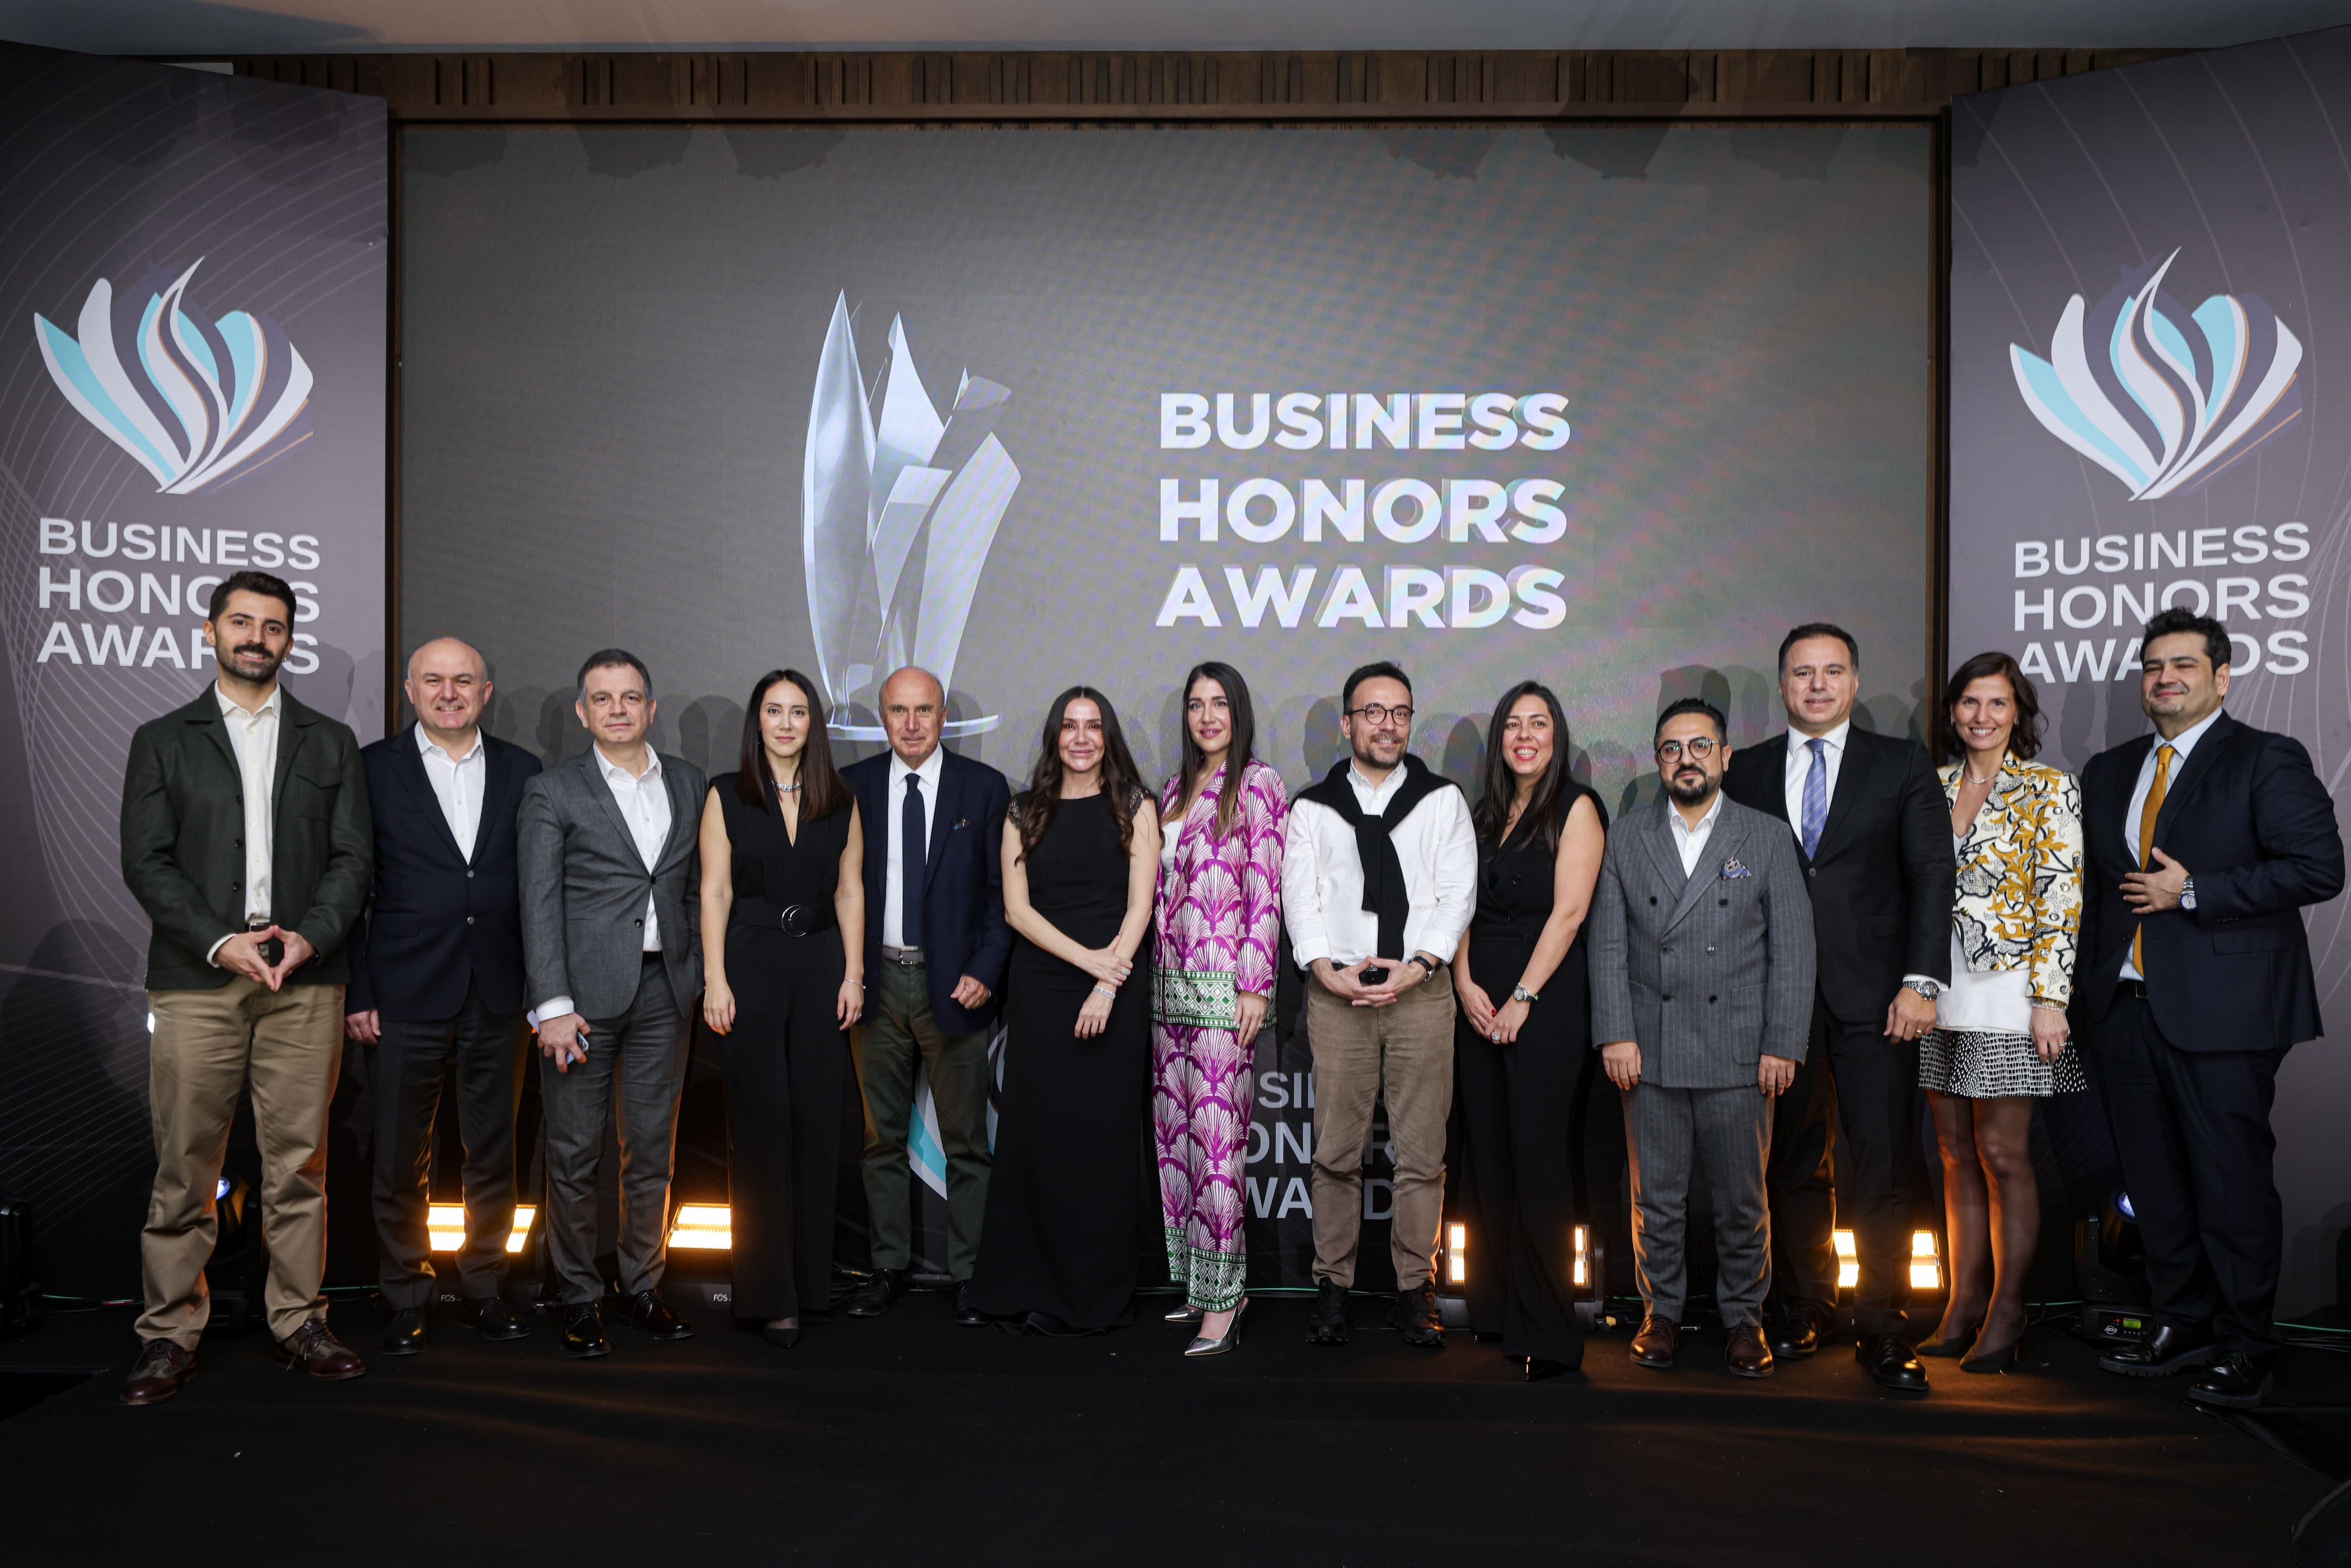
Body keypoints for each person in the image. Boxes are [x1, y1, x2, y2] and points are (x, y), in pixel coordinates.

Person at [2076, 608, 2344, 1410]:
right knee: (2153, 1184)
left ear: (2221, 678)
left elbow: (2318, 867)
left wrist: (2192, 890)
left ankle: (2245, 1343)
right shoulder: (2109, 769)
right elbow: (2094, 893)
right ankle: (2182, 1320)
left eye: (2184, 665)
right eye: (2154, 666)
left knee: (2230, 1184)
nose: (2166, 679)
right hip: (2124, 1010)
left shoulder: (2265, 757)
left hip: (2226, 1013)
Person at [118, 570, 374, 1405]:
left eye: (272, 626)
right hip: (198, 979)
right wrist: (220, 941)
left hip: (306, 977)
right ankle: (167, 1332)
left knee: (299, 1164)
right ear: (211, 632)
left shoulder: (331, 741)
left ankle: (299, 1319)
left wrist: (311, 936)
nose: (256, 637)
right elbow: (146, 861)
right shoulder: (163, 739)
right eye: (241, 622)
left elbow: (353, 859)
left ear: (288, 639)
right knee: (185, 1164)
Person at [1724, 622, 1952, 1396]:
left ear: (1854, 681)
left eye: (1831, 671)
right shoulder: (1748, 769)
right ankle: (1806, 1305)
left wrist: (1922, 982)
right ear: (1783, 684)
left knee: (1881, 1161)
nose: (1816, 685)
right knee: (1794, 1160)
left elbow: (1932, 874)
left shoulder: (1901, 762)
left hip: (1881, 996)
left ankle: (1883, 1325)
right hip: (1778, 1000)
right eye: (1802, 672)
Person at [1589, 698, 1815, 1379]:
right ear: (1658, 760)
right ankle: (1660, 1312)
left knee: (1742, 1200)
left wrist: (1783, 1041)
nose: (1686, 759)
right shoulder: (1626, 835)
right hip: (1649, 1047)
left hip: (1741, 1049)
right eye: (1672, 748)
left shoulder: (1766, 835)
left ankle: (1745, 1318)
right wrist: (1616, 1033)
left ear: (1724, 755)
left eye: (1700, 745)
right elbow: (1608, 946)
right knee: (1655, 1198)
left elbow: (1794, 949)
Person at [346, 637, 541, 1355]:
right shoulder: (372, 768)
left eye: (464, 680)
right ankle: (406, 1291)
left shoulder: (523, 769)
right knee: (402, 1153)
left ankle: (485, 1285)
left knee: (493, 1150)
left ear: (486, 692)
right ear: (410, 690)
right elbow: (352, 886)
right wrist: (358, 989)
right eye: (434, 680)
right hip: (402, 988)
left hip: (500, 987)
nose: (449, 692)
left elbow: (537, 886)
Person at [1283, 661, 1477, 1351]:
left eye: (1399, 712)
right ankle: (1332, 1286)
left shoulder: (1442, 800)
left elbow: (1456, 894)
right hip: (1338, 997)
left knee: (1421, 1154)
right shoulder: (1312, 807)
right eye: (1373, 711)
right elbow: (1300, 897)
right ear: (1347, 723)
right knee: (1336, 1152)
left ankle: (1412, 1290)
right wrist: (1327, 971)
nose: (1387, 724)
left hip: (1420, 994)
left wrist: (1419, 965)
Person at [518, 649, 706, 1359]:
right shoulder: (552, 790)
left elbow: (696, 886)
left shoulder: (688, 782)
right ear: (582, 711)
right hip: (580, 1002)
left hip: (666, 992)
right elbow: (537, 903)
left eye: (630, 697)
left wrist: (694, 972)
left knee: (651, 1149)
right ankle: (577, 1295)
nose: (618, 709)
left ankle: (641, 1285)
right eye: (603, 698)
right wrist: (551, 1004)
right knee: (573, 1153)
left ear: (651, 707)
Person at [970, 689, 1159, 1333]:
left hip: (1118, 986)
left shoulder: (1136, 804)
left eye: (1093, 726)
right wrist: (1087, 962)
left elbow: (1141, 905)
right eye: (1070, 726)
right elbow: (1017, 910)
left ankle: (1095, 1295)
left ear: (1108, 736)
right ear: (1055, 736)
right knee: (1040, 1136)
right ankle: (1031, 1286)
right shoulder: (1023, 810)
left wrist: (1107, 982)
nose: (1081, 737)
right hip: (1043, 987)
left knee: (1101, 1140)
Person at [1916, 652, 2083, 1373]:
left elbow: (2062, 897)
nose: (1981, 716)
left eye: (1997, 703)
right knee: (1954, 1153)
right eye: (1969, 703)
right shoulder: (1930, 786)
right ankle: (1962, 1302)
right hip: (1936, 988)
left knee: (2003, 1154)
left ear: (2019, 713)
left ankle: (2008, 1309)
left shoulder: (2049, 788)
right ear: (1953, 712)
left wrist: (2050, 999)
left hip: (2010, 991)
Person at [840, 667, 1013, 1325]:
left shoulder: (984, 787)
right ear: (882, 716)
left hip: (958, 986)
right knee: (879, 1138)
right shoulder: (852, 787)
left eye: (924, 710)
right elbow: (839, 890)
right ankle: (887, 1267)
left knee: (967, 1140)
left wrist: (986, 968)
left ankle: (972, 1274)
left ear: (944, 716)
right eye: (898, 711)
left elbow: (1002, 897)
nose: (912, 724)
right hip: (876, 983)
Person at [700, 671, 865, 1347]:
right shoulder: (726, 794)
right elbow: (714, 891)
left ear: (813, 724)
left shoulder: (841, 799)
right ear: (758, 721)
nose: (787, 723)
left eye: (799, 711)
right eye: (775, 710)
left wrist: (854, 973)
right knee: (763, 1123)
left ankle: (810, 1286)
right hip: (751, 962)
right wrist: (715, 979)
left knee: (818, 1123)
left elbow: (850, 890)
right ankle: (771, 1297)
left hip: (822, 964)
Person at [1454, 681, 1608, 1382]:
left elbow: (1570, 912)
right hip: (1477, 1002)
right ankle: (1497, 1312)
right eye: (1513, 724)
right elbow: (1456, 905)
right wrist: (1464, 983)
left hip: (1543, 1004)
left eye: (1538, 723)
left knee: (1539, 1158)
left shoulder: (1577, 807)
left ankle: (1547, 1331)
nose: (1525, 735)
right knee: (1489, 1154)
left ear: (1557, 734)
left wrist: (1521, 997)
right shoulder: (1482, 815)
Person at [1152, 662, 1286, 1357]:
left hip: (1223, 991)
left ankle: (1227, 1301)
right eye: (1196, 704)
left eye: (1220, 703)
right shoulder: (1173, 788)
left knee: (1217, 1151)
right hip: (1167, 993)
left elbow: (1266, 886)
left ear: (1239, 711)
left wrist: (1255, 984)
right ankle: (1200, 1287)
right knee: (1177, 1149)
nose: (1207, 716)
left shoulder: (1259, 783)